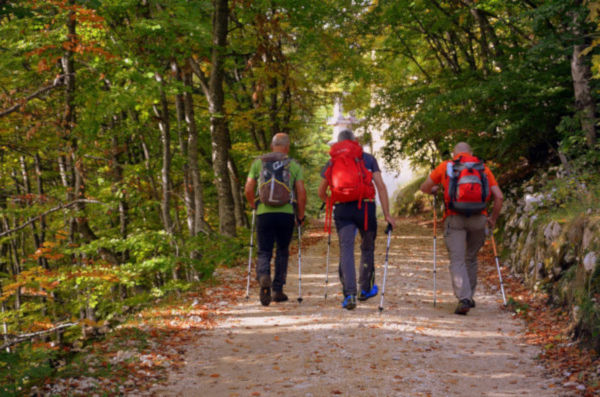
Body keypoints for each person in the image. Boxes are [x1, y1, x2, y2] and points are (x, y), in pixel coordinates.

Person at [420, 142, 503, 315]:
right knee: (471, 258)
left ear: (454, 153)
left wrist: (435, 189)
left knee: (457, 260)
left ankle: (464, 298)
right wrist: (493, 219)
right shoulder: (483, 169)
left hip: (454, 218)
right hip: (479, 218)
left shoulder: (447, 166)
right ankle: (469, 296)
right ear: (471, 152)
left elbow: (424, 187)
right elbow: (499, 197)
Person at [318, 130, 396, 310]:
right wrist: (387, 215)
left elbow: (321, 192)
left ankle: (349, 294)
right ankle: (365, 289)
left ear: (337, 143)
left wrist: (331, 202)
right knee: (367, 247)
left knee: (346, 249)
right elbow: (381, 187)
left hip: (343, 209)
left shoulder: (332, 161)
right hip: (366, 208)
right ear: (355, 141)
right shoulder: (368, 158)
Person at [244, 133, 307, 306]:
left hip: (264, 213)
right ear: (287, 147)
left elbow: (248, 188)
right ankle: (277, 290)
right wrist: (300, 215)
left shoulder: (259, 163)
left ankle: (264, 275)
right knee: (282, 251)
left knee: (264, 250)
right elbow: (301, 194)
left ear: (272, 146)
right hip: (285, 214)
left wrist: (254, 206)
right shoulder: (293, 165)